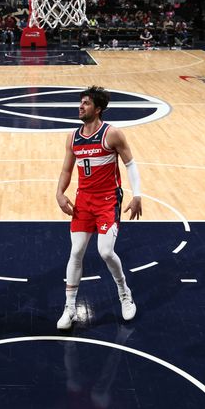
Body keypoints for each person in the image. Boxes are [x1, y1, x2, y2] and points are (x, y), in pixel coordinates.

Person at [55, 86, 142, 330]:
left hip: (107, 200)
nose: (80, 106)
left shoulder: (112, 134)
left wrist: (137, 195)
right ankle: (70, 308)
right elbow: (66, 169)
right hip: (84, 200)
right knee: (76, 251)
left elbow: (131, 164)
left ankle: (124, 291)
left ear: (98, 109)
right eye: (80, 103)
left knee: (105, 251)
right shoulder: (73, 137)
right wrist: (59, 194)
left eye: (85, 103)